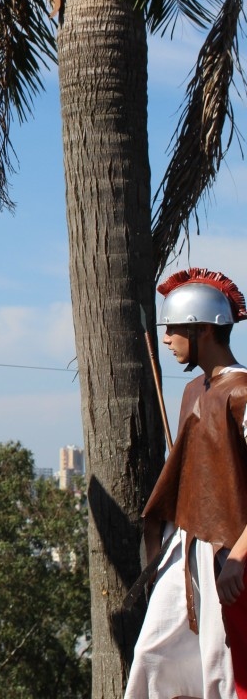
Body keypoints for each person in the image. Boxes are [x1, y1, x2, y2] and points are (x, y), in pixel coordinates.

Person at [125, 268, 247, 699]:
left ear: (202, 330)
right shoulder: (193, 390)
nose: (166, 339)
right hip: (185, 544)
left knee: (222, 667)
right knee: (153, 655)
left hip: (228, 551)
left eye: (173, 328)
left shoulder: (243, 392)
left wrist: (238, 558)